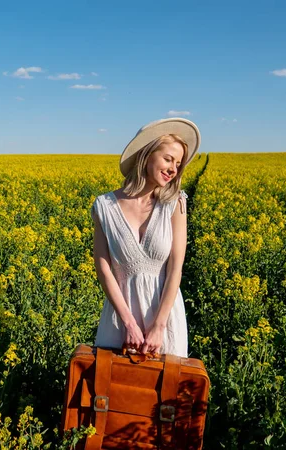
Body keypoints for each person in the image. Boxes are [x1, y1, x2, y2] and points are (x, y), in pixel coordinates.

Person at [90, 118, 201, 358]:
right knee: (112, 390)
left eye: (179, 163)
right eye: (168, 159)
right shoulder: (104, 206)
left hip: (164, 320)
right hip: (119, 319)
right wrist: (128, 323)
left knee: (164, 389)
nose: (174, 169)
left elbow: (175, 269)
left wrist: (159, 326)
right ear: (147, 155)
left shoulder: (175, 204)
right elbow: (103, 268)